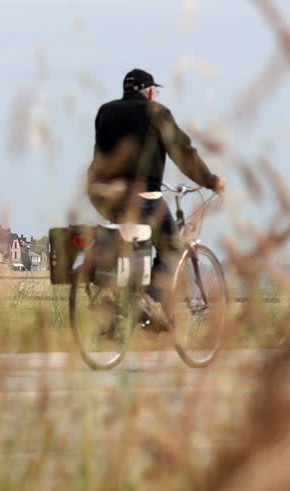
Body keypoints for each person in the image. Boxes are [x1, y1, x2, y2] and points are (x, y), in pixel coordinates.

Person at [86, 68, 225, 320]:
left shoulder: (105, 112)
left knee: (125, 237)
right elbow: (184, 154)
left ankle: (113, 294)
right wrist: (212, 181)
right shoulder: (157, 113)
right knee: (172, 246)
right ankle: (150, 300)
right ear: (149, 92)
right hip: (142, 196)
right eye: (155, 91)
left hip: (104, 196)